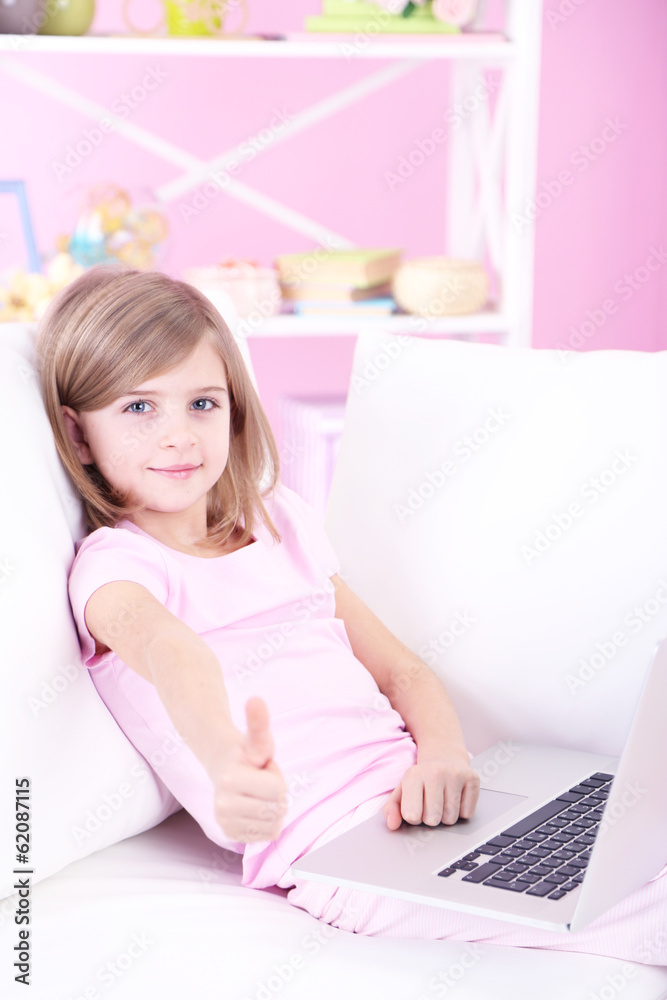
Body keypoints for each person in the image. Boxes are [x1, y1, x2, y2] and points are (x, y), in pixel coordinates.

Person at [36, 265, 666, 964]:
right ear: (78, 434)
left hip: (423, 806)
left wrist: (444, 757)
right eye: (138, 408)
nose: (179, 436)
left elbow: (400, 670)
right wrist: (226, 763)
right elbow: (169, 653)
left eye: (203, 404)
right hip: (335, 851)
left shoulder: (275, 522)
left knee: (626, 840)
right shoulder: (117, 566)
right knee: (637, 915)